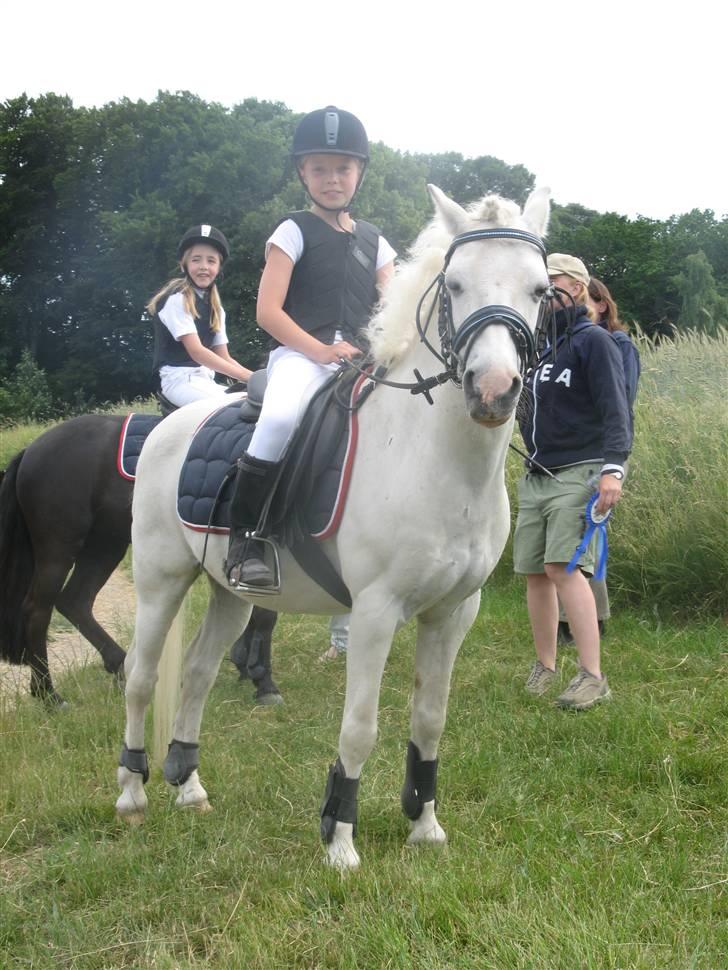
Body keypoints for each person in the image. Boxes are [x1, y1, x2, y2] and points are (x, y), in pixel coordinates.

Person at [225, 106, 396, 588]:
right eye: (319, 168)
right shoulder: (292, 230)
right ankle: (247, 539)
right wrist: (319, 351)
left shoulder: (376, 242)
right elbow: (268, 312)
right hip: (302, 356)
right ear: (303, 172)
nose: (332, 179)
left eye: (343, 168)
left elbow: (397, 306)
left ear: (359, 172)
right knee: (279, 419)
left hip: (361, 362)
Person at [514, 253, 632, 710]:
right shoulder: (539, 350)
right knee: (534, 573)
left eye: (553, 282)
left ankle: (592, 675)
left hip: (580, 471)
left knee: (563, 569)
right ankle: (545, 667)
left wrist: (612, 469)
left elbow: (616, 410)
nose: (544, 291)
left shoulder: (593, 342)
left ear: (578, 287)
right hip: (537, 473)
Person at [557, 277, 641, 644]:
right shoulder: (565, 344)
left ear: (602, 305)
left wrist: (613, 462)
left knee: (589, 536)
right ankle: (570, 618)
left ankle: (591, 618)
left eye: (588, 300)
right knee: (576, 538)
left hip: (601, 451)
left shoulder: (618, 344)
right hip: (568, 452)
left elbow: (621, 400)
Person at [149, 225, 252, 407]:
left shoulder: (216, 308)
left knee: (254, 401)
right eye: (196, 260)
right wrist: (249, 378)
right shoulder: (177, 298)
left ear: (219, 267)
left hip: (205, 380)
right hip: (179, 381)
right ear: (184, 264)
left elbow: (224, 357)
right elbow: (197, 352)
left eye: (211, 261)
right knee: (230, 407)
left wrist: (258, 378)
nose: (204, 267)